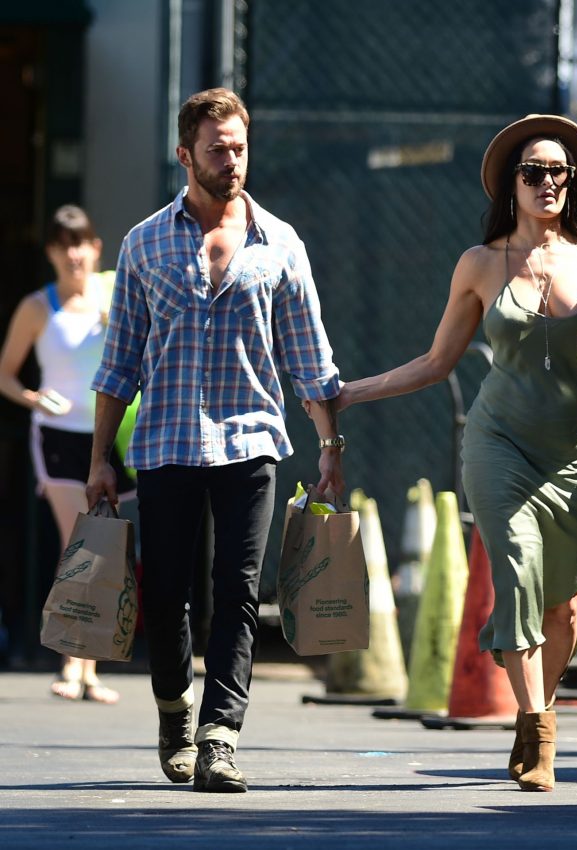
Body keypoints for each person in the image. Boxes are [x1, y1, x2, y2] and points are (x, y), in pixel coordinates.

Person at [338, 114, 577, 791]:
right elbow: (436, 360)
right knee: (517, 565)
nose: (547, 183)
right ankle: (538, 730)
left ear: (574, 183)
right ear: (512, 185)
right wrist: (350, 393)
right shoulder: (480, 264)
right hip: (498, 443)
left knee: (564, 607)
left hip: (576, 452)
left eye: (559, 172)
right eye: (534, 172)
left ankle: (538, 709)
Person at [85, 87, 344, 794]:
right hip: (166, 442)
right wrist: (100, 460)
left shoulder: (279, 243)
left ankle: (220, 737)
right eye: (216, 149)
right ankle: (175, 715)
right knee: (167, 592)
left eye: (239, 147)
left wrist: (329, 446)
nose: (231, 161)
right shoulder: (145, 243)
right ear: (184, 155)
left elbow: (309, 359)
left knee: (236, 591)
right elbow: (118, 365)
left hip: (251, 442)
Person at [0, 204, 135, 704]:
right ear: (51, 253)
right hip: (57, 435)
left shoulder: (115, 295)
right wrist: (34, 398)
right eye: (63, 244)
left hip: (109, 436)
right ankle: (69, 660)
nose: (73, 253)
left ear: (96, 249)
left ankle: (90, 667)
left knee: (103, 549)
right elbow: (6, 375)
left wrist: (115, 318)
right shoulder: (37, 306)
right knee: (75, 546)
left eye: (81, 243)